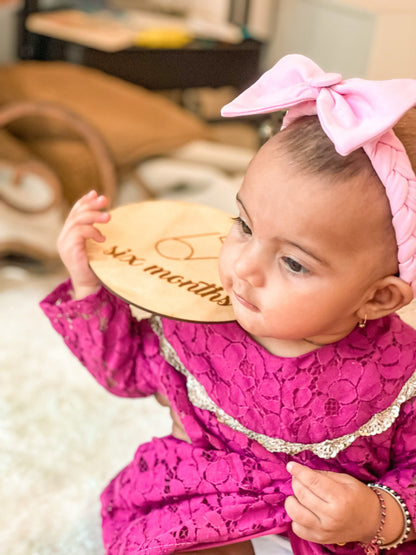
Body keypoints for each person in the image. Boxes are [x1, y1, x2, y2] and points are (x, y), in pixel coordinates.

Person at [40, 54, 416, 554]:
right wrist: (89, 284)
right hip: (204, 498)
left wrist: (379, 514)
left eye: (294, 263)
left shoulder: (401, 374)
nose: (243, 268)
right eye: (243, 226)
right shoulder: (199, 318)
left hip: (333, 530)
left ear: (378, 297)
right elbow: (125, 370)